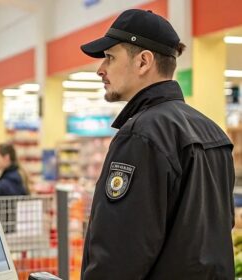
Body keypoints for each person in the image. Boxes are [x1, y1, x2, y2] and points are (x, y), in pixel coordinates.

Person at [79, 9, 235, 280]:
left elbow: (120, 254)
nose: (100, 70)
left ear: (143, 61)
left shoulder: (141, 135)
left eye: (110, 57)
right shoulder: (214, 133)